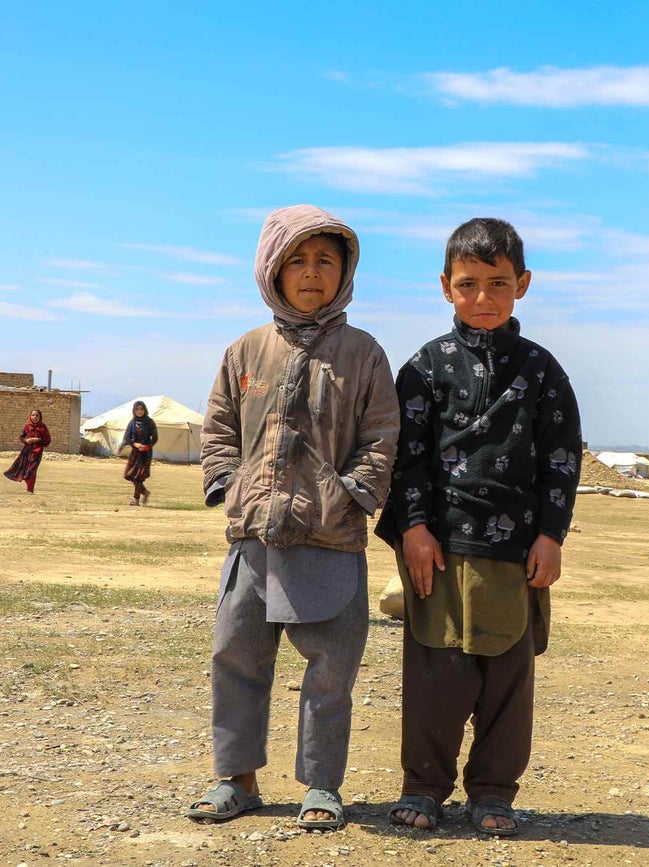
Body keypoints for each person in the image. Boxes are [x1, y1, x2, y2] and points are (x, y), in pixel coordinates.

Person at [190, 205, 399, 831]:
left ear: (346, 271)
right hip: (253, 540)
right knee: (237, 656)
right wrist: (232, 486)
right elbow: (219, 426)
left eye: (325, 261)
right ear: (271, 271)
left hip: (330, 540)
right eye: (297, 262)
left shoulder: (363, 354)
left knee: (332, 669)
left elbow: (382, 434)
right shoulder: (245, 350)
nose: (311, 274)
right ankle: (236, 778)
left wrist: (352, 492)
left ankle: (322, 785)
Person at [375, 217, 582, 836]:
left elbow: (562, 458)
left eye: (498, 283)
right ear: (445, 287)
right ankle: (424, 787)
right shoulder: (425, 367)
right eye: (469, 285)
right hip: (436, 547)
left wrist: (551, 535)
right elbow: (403, 455)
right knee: (436, 675)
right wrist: (412, 527)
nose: (484, 299)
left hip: (517, 553)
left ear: (523, 283)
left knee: (507, 679)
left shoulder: (543, 371)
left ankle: (493, 793)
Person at [3, 409, 50, 494]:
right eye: (33, 415)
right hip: (26, 451)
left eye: (37, 415)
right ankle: (28, 488)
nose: (35, 417)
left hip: (37, 452)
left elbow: (47, 440)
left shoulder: (43, 427)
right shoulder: (27, 427)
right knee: (23, 468)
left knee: (32, 469)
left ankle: (30, 490)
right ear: (30, 416)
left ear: (40, 417)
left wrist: (37, 439)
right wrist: (26, 440)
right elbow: (21, 437)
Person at [123, 400, 158, 505]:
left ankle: (136, 499)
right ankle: (145, 492)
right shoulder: (132, 423)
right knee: (128, 475)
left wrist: (147, 446)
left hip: (145, 454)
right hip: (135, 453)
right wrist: (135, 444)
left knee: (139, 477)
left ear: (145, 410)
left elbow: (155, 438)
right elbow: (127, 437)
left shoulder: (150, 422)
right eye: (137, 409)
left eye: (141, 409)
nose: (139, 411)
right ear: (134, 410)